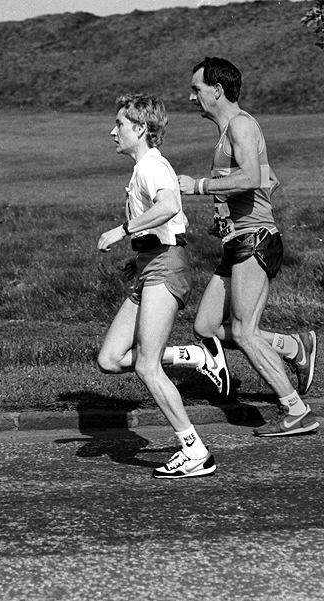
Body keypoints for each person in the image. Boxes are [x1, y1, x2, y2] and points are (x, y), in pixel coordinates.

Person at [178, 57, 318, 437]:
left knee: (242, 331)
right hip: (239, 239)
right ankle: (292, 346)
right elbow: (269, 178)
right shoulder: (230, 130)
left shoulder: (240, 124)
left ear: (217, 90)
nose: (192, 97)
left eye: (197, 89)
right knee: (206, 326)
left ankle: (296, 411)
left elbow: (254, 176)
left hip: (256, 240)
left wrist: (201, 186)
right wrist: (227, 211)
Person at [97, 93, 229, 480]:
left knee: (146, 366)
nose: (113, 131)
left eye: (119, 124)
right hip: (150, 265)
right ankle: (196, 356)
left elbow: (170, 205)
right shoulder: (144, 167)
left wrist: (122, 230)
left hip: (165, 269)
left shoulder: (151, 166)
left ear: (140, 129)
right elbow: (161, 223)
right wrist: (137, 254)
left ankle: (195, 451)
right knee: (110, 359)